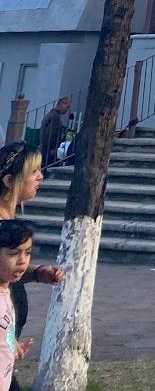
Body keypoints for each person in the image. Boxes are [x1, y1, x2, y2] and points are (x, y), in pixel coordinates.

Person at [0, 146, 64, 369]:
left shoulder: (10, 220)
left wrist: (36, 273)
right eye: (33, 171)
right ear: (10, 181)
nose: (41, 176)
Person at [0, 220, 36, 391]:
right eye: (13, 253)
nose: (22, 261)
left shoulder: (6, 292)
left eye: (27, 253)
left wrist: (12, 344)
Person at [37, 99, 71, 171]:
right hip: (49, 149)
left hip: (45, 148)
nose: (67, 109)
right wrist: (52, 148)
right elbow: (50, 134)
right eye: (67, 106)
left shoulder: (51, 114)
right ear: (61, 104)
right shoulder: (55, 117)